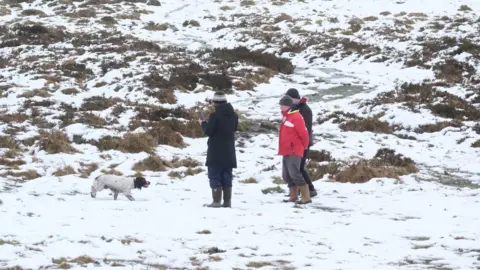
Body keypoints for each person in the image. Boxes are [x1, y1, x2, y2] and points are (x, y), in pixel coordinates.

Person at [200, 91, 238, 208]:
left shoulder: (215, 116)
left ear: (215, 102)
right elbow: (234, 129)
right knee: (227, 175)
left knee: (215, 174)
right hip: (229, 150)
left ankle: (216, 201)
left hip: (216, 150)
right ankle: (227, 202)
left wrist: (203, 123)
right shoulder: (234, 115)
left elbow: (208, 131)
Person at [278, 95, 311, 204]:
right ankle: (293, 196)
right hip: (286, 149)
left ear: (287, 106)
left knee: (295, 173)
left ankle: (306, 196)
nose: (280, 107)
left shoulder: (296, 117)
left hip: (294, 149)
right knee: (286, 175)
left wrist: (305, 147)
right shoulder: (286, 116)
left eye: (282, 105)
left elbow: (304, 133)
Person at [285, 88, 317, 197]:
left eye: (290, 99)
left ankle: (310, 190)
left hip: (304, 143)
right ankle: (300, 191)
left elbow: (305, 129)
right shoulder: (294, 108)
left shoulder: (305, 110)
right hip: (295, 143)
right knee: (297, 168)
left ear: (296, 99)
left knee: (299, 168)